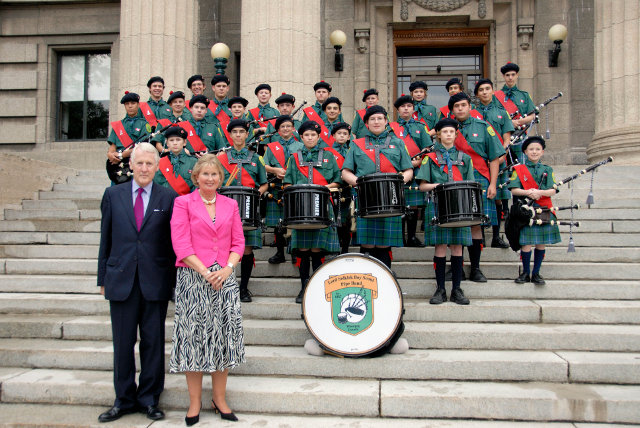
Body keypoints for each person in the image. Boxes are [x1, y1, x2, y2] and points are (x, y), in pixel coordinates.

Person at [97, 142, 178, 423]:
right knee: (122, 343)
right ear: (131, 165)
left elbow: (172, 245)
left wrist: (173, 283)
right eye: (140, 163)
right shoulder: (113, 195)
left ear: (157, 168)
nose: (144, 168)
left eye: (150, 164)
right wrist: (102, 278)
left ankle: (149, 399)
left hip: (155, 281)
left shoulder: (168, 198)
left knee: (153, 343)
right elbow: (105, 239)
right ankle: (123, 399)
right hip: (120, 280)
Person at [170, 154, 245, 425]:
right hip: (193, 279)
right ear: (196, 177)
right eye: (205, 174)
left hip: (224, 280)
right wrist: (205, 271)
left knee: (222, 340)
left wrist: (227, 269)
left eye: (215, 175)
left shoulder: (230, 205)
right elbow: (180, 243)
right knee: (194, 341)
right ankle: (193, 404)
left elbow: (238, 242)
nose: (210, 179)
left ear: (220, 178)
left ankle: (220, 399)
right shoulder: (182, 203)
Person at [342, 105, 413, 269]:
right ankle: (366, 278)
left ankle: (385, 276)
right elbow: (345, 172)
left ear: (386, 121)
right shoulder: (357, 144)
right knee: (367, 243)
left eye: (380, 118)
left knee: (384, 243)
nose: (376, 122)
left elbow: (408, 169)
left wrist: (399, 182)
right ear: (366, 123)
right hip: (366, 198)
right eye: (372, 119)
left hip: (391, 200)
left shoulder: (398, 143)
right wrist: (358, 183)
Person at [283, 121, 341, 303]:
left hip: (322, 206)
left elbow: (337, 181)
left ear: (318, 137)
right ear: (301, 138)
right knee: (303, 250)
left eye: (313, 135)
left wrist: (322, 188)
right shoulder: (294, 158)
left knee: (317, 249)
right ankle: (303, 288)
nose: (310, 138)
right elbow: (287, 183)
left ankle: (316, 288)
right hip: (300, 209)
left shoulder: (329, 157)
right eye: (306, 135)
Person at [450, 92, 505, 282]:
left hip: (479, 180)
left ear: (469, 106)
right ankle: (456, 266)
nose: (460, 109)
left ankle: (475, 268)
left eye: (463, 105)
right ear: (452, 110)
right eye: (456, 106)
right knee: (455, 224)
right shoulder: (447, 129)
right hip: (454, 182)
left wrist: (493, 183)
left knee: (475, 225)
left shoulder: (484, 127)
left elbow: (495, 158)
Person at [417, 118, 473, 305]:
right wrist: (440, 185)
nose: (448, 135)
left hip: (460, 206)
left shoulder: (465, 159)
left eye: (452, 132)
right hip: (437, 205)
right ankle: (440, 289)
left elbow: (471, 185)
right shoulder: (429, 158)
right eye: (445, 132)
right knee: (440, 247)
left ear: (456, 135)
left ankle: (456, 289)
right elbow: (423, 186)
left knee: (457, 247)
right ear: (438, 135)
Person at [217, 119, 268, 302]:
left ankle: (244, 288)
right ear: (230, 135)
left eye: (242, 132)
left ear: (247, 135)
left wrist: (256, 195)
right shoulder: (221, 158)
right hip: (224, 209)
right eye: (235, 132)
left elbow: (264, 184)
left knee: (246, 250)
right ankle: (225, 287)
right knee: (223, 250)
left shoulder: (255, 158)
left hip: (248, 209)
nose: (238, 135)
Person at [508, 136, 560, 286]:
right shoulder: (518, 169)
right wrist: (528, 192)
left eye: (537, 149)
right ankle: (525, 272)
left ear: (542, 152)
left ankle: (536, 273)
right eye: (531, 149)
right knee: (526, 242)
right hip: (526, 210)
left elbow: (553, 190)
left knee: (541, 243)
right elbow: (514, 189)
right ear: (525, 152)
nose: (534, 152)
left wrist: (541, 193)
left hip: (544, 208)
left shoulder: (547, 170)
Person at [474, 78, 515, 249]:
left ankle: (497, 236)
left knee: (497, 199)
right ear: (477, 94)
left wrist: (500, 156)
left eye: (487, 89)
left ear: (492, 91)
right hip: (478, 163)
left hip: (498, 160)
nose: (484, 92)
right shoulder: (473, 113)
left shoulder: (502, 112)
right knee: (480, 199)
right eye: (481, 90)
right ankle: (481, 236)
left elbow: (507, 138)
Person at [390, 94, 433, 247]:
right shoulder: (391, 128)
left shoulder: (421, 127)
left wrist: (418, 161)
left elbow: (428, 150)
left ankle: (412, 237)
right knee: (400, 203)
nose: (406, 109)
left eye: (409, 106)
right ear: (398, 110)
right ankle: (400, 237)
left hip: (417, 170)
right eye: (402, 107)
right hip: (399, 171)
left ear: (413, 108)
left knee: (413, 205)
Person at [263, 115, 304, 264]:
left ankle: (293, 251)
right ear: (278, 130)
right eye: (282, 127)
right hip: (276, 187)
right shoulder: (272, 147)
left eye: (288, 126)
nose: (286, 129)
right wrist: (275, 170)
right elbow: (264, 165)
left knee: (293, 221)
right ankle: (280, 252)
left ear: (293, 128)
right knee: (278, 224)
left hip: (294, 186)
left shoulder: (300, 146)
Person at [106, 91, 150, 183]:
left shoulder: (144, 124)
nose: (130, 106)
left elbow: (142, 148)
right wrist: (110, 154)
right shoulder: (118, 125)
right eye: (127, 104)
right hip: (118, 166)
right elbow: (113, 146)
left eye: (133, 103)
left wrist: (121, 155)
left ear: (138, 105)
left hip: (136, 164)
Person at [496, 62, 536, 162]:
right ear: (503, 76)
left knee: (521, 166)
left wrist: (518, 122)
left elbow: (532, 116)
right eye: (507, 75)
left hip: (520, 134)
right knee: (503, 165)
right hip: (502, 135)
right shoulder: (495, 96)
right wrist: (509, 124)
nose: (510, 78)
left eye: (513, 75)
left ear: (517, 75)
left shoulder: (524, 95)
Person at [326, 122, 353, 253]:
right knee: (333, 219)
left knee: (346, 222)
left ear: (349, 137)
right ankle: (334, 248)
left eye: (345, 134)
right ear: (333, 136)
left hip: (348, 189)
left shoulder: (351, 150)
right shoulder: (327, 152)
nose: (342, 136)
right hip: (333, 190)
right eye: (339, 133)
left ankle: (345, 249)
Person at [154, 126, 197, 195]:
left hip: (186, 202)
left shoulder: (194, 162)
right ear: (167, 143)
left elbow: (196, 187)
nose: (175, 143)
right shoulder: (160, 162)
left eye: (178, 140)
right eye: (171, 140)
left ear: (184, 142)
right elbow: (157, 185)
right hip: (165, 201)